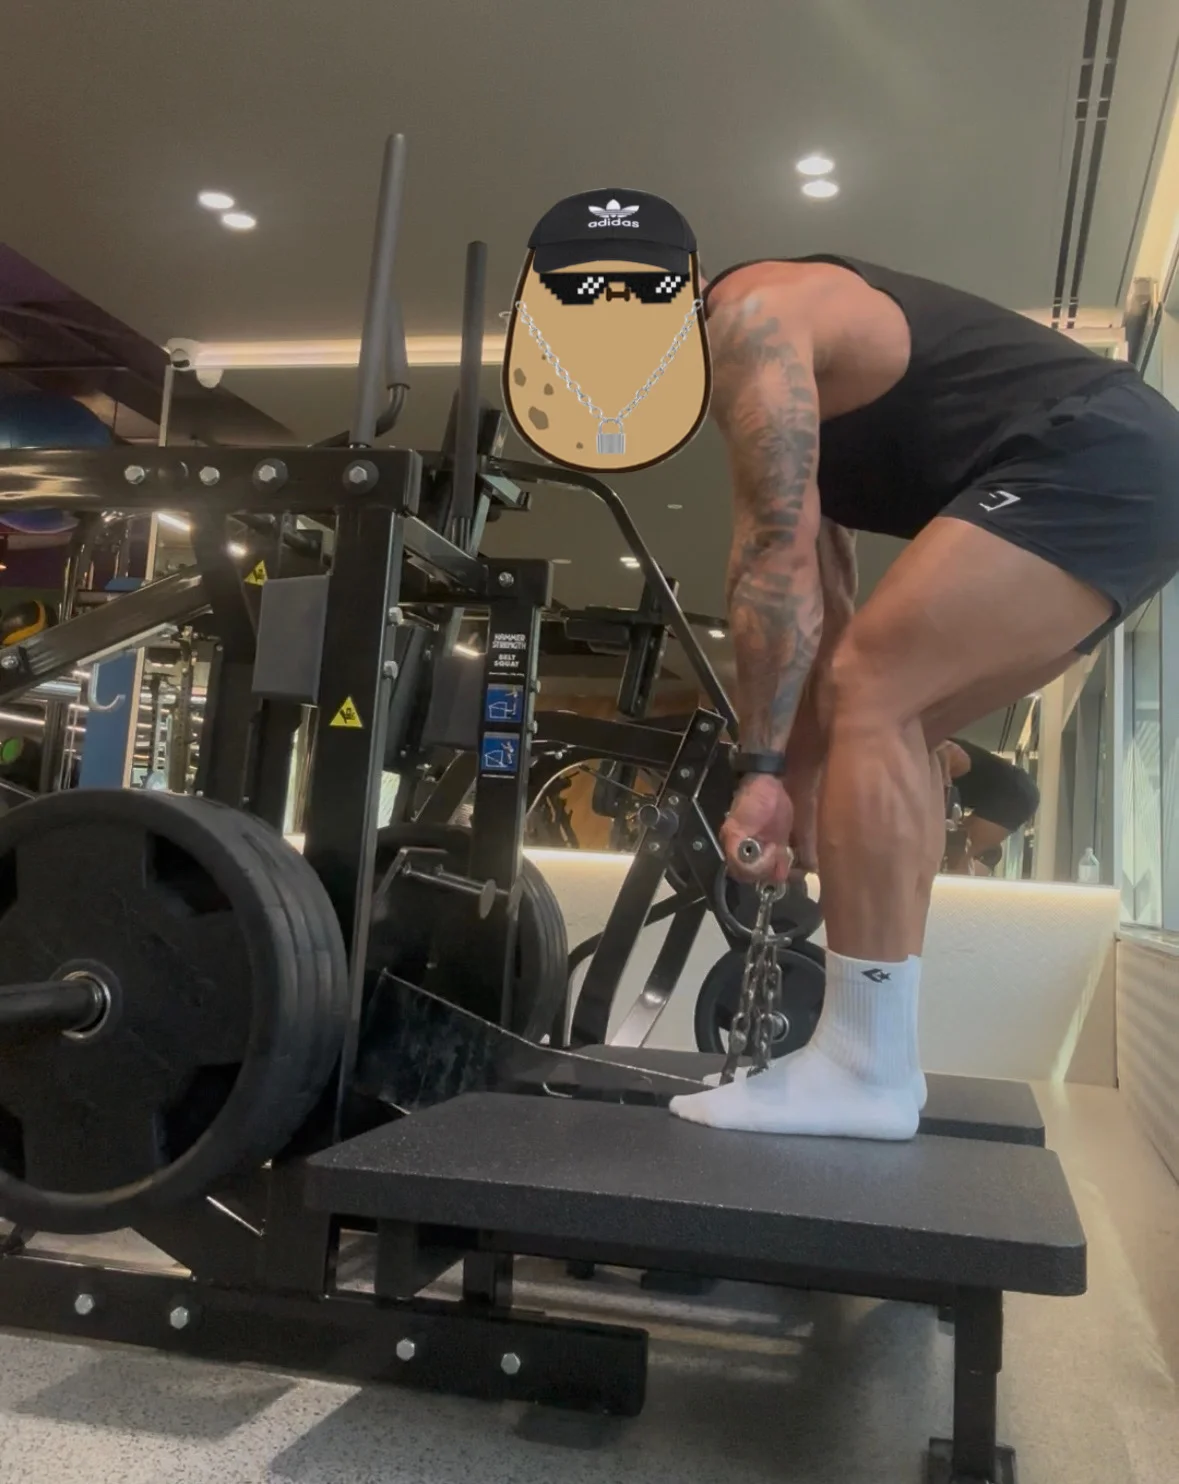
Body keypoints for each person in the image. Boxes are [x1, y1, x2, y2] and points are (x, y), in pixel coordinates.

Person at [669, 254, 1179, 1140]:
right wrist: (801, 772)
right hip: (1124, 473)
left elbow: (770, 554)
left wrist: (758, 769)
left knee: (875, 689)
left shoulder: (747, 318)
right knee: (879, 714)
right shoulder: (783, 358)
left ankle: (861, 1067)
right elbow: (825, 584)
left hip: (1094, 452)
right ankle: (880, 1059)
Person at [939, 738, 1040, 875]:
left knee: (957, 855)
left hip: (1017, 794)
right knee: (957, 853)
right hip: (1015, 791)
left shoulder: (940, 750)